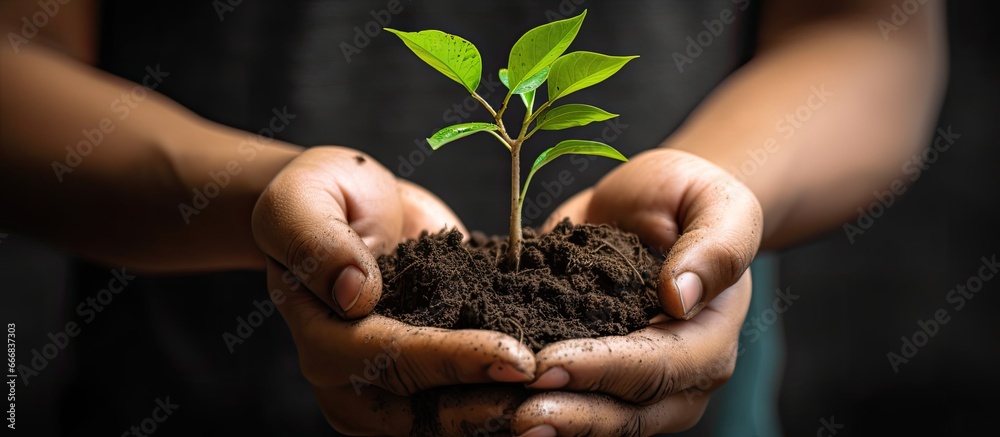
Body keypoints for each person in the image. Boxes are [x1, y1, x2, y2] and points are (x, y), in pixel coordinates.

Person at [0, 0, 945, 435]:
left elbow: (870, 27)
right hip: (208, 389)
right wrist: (260, 198)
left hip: (681, 361)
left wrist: (723, 181)